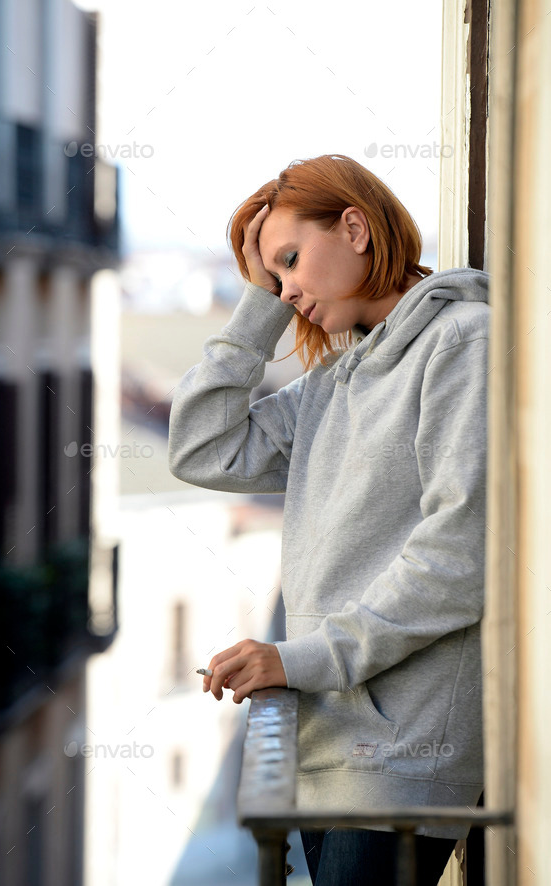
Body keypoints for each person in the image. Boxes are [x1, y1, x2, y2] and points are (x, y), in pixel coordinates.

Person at [168, 154, 488, 886]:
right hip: (329, 750)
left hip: (400, 757)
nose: (288, 291)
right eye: (273, 279)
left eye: (290, 262)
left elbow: (459, 559)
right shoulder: (333, 383)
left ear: (354, 227)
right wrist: (258, 304)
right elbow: (201, 448)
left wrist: (295, 660)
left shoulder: (462, 340)